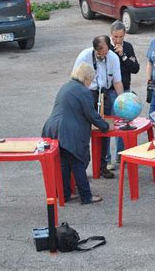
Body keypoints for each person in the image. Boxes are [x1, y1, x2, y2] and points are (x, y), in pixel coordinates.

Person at [42, 63, 111, 204]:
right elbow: (91, 114)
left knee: (64, 163)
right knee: (78, 162)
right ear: (86, 78)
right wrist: (105, 126)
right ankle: (86, 196)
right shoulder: (83, 91)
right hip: (69, 132)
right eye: (90, 80)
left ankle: (64, 194)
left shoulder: (66, 86)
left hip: (53, 129)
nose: (90, 83)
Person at [73, 35, 124, 179]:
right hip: (87, 92)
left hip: (105, 93)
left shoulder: (113, 58)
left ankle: (103, 165)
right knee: (84, 130)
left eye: (105, 53)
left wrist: (122, 100)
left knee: (104, 128)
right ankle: (82, 168)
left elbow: (117, 82)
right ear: (95, 49)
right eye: (100, 53)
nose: (103, 56)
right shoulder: (84, 56)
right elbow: (76, 80)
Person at [108, 20, 140, 170]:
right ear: (111, 35)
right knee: (109, 125)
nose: (118, 40)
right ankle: (107, 159)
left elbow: (135, 69)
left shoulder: (127, 47)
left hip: (125, 90)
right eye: (115, 37)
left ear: (124, 35)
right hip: (110, 91)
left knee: (123, 124)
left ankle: (121, 156)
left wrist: (124, 56)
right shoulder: (106, 47)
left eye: (120, 37)